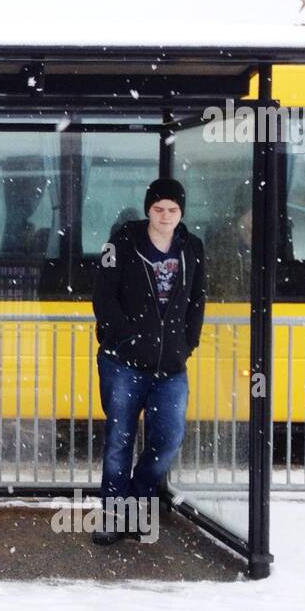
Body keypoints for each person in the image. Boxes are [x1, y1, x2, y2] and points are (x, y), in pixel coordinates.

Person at [91, 178, 206, 544]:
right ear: (148, 209)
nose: (165, 216)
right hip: (123, 363)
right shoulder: (122, 243)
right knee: (119, 442)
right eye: (159, 209)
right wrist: (127, 339)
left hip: (171, 366)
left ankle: (136, 503)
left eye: (173, 210)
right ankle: (111, 517)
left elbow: (197, 301)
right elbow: (103, 298)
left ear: (181, 212)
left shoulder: (193, 248)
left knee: (169, 438)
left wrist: (187, 344)